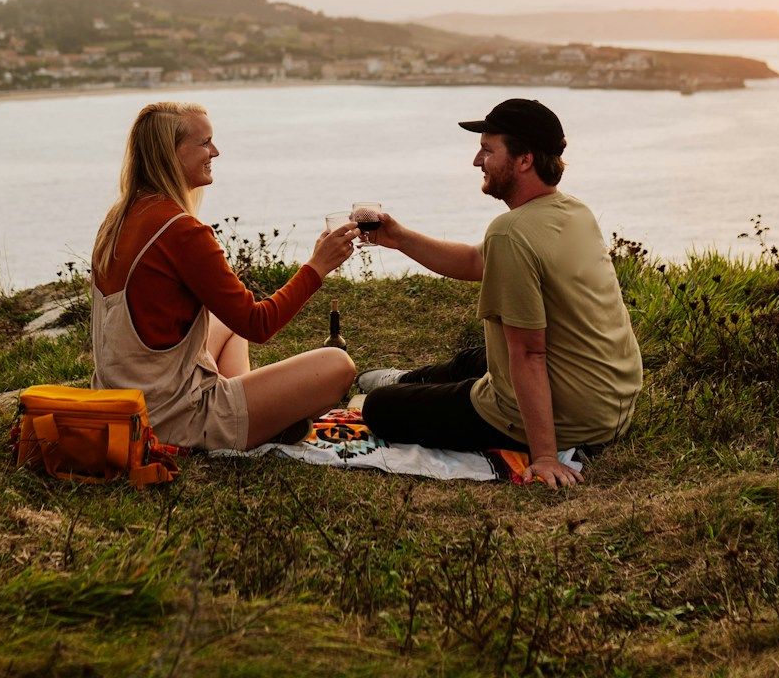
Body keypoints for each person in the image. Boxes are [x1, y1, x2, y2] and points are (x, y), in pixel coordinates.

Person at [358, 98, 643, 487]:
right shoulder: (573, 212)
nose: (477, 161)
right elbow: (478, 261)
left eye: (488, 150)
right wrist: (399, 238)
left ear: (523, 159)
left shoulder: (511, 231)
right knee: (472, 360)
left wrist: (543, 455)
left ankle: (399, 390)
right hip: (609, 404)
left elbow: (528, 353)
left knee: (379, 410)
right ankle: (408, 379)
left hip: (571, 418)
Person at [90, 101, 359, 451]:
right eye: (204, 143)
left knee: (226, 322)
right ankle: (252, 425)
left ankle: (259, 419)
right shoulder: (181, 231)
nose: (215, 151)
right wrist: (317, 267)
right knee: (337, 365)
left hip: (122, 404)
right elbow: (258, 324)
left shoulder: (119, 218)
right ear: (171, 155)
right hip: (170, 421)